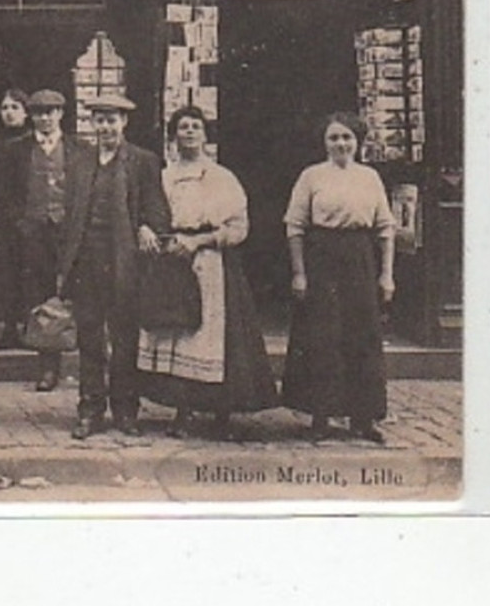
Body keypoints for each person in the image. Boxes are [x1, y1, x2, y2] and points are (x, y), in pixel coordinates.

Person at [136, 106, 278, 436]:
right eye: (182, 127)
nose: (189, 132)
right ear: (173, 135)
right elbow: (146, 211)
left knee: (214, 338)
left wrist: (200, 240)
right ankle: (183, 412)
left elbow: (239, 227)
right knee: (178, 335)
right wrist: (149, 230)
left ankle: (221, 413)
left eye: (195, 127)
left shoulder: (221, 177)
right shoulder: (164, 175)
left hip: (212, 264)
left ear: (205, 134)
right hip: (172, 261)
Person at [56, 93, 170, 438]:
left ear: (124, 123)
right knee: (89, 337)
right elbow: (71, 214)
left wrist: (149, 225)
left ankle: (125, 410)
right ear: (93, 124)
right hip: (86, 260)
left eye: (112, 120)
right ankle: (90, 410)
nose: (105, 127)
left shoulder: (142, 161)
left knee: (124, 338)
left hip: (124, 261)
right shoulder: (79, 161)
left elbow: (157, 207)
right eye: (100, 120)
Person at [281, 111, 396, 443]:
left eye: (347, 137)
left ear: (358, 141)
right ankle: (320, 415)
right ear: (324, 143)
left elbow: (386, 228)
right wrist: (300, 273)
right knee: (322, 336)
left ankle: (363, 418)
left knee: (362, 336)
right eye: (334, 138)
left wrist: (387, 274)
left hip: (360, 259)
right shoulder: (312, 177)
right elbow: (295, 226)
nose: (341, 144)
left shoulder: (370, 177)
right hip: (322, 259)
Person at [0, 89, 74, 390]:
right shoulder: (16, 150)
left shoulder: (78, 149)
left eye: (50, 112)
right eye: (39, 112)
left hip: (69, 234)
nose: (45, 118)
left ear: (60, 114)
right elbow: (6, 194)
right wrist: (23, 223)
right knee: (43, 299)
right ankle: (48, 367)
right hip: (34, 233)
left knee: (77, 294)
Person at [0, 88, 31, 347]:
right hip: (3, 218)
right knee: (6, 272)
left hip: (29, 217)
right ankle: (9, 327)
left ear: (25, 112)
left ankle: (32, 328)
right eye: (5, 108)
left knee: (30, 273)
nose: (9, 113)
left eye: (15, 107)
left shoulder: (33, 142)